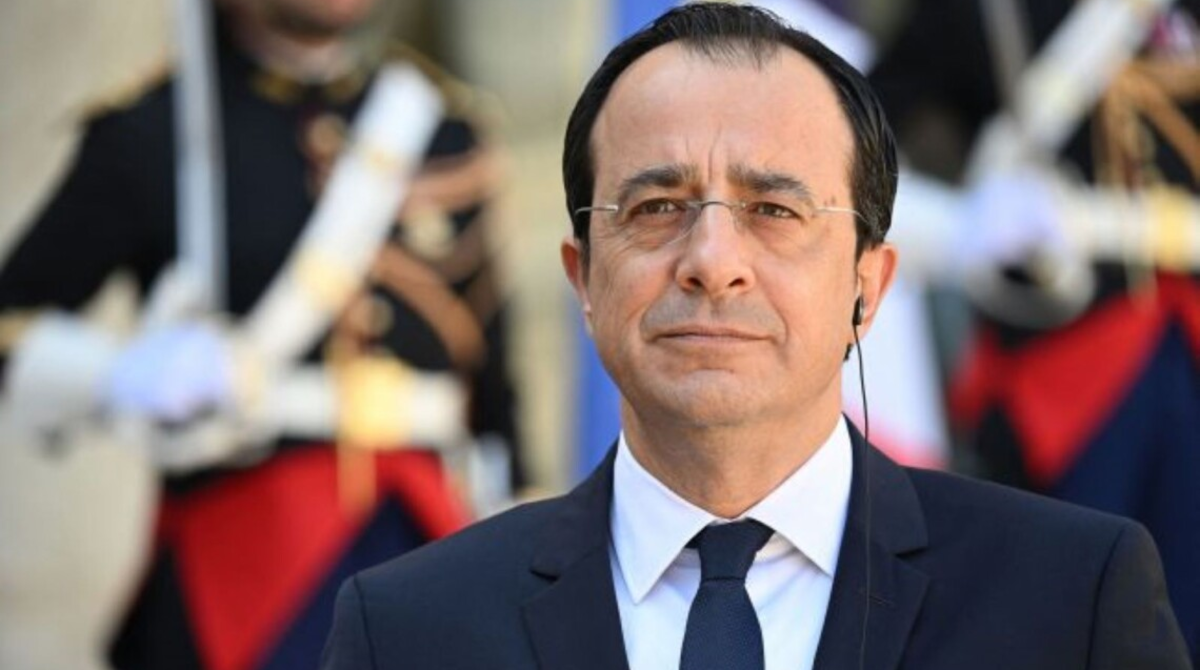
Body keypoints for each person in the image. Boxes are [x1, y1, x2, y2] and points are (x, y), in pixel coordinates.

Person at [320, 4, 1189, 669]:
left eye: (773, 210)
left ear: (868, 284)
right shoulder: (406, 630)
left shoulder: (1071, 599)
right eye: (656, 207)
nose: (712, 261)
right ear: (583, 278)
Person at [0, 0, 522, 668]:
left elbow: (491, 382)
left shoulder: (443, 129)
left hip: (422, 536)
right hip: (246, 563)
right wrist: (115, 373)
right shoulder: (152, 130)